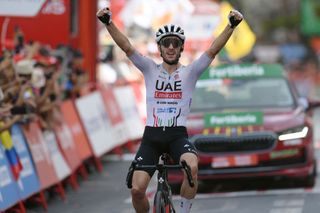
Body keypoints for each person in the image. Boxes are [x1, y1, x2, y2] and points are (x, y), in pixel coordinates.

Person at [97, 6, 243, 213]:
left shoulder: (190, 72)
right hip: (152, 137)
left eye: (176, 43)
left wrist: (231, 26)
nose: (171, 47)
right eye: (167, 43)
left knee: (192, 167)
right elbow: (127, 47)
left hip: (177, 136)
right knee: (137, 190)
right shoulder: (149, 69)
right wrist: (108, 22)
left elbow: (212, 51)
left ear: (181, 48)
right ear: (160, 48)